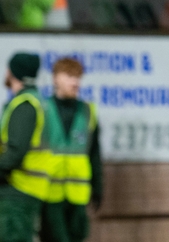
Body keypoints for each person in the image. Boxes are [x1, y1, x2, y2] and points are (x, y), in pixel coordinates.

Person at [40, 58, 102, 242]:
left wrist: (98, 187)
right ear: (55, 79)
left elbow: (95, 153)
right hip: (48, 192)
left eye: (77, 77)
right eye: (69, 76)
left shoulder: (87, 111)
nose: (75, 82)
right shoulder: (42, 109)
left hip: (78, 194)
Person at [0, 52, 50, 242]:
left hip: (18, 189)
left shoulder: (25, 104)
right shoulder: (38, 101)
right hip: (28, 189)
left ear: (13, 73)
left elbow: (15, 151)